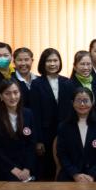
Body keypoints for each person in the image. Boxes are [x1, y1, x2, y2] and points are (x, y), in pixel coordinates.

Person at [30, 47, 75, 178]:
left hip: (65, 131)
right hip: (45, 134)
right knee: (47, 169)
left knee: (66, 165)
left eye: (55, 60)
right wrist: (38, 140)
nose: (52, 64)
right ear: (43, 63)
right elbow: (35, 114)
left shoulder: (67, 82)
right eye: (48, 61)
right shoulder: (36, 84)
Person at [0, 79, 38, 182]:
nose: (13, 97)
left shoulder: (28, 114)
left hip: (26, 169)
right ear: (1, 96)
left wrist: (27, 168)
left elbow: (31, 144)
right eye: (7, 94)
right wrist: (13, 169)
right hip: (3, 169)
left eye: (15, 92)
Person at [55, 88, 96, 182]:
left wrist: (92, 175)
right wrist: (75, 174)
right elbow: (62, 154)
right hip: (71, 175)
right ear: (72, 103)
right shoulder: (63, 126)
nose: (82, 104)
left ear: (92, 102)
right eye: (78, 101)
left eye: (85, 101)